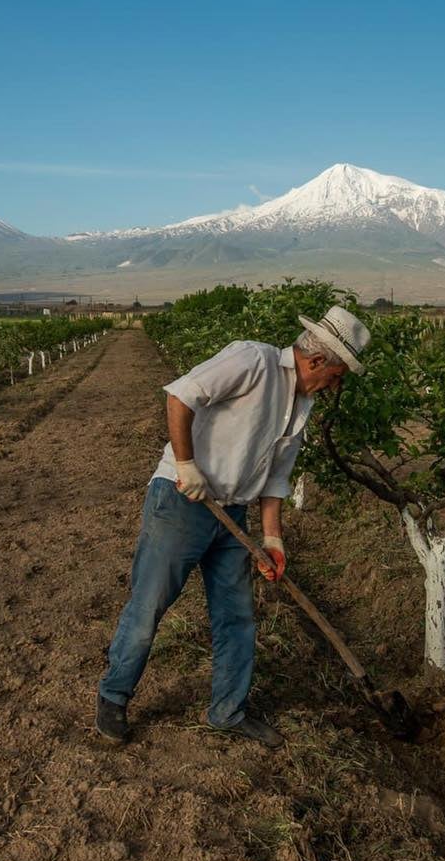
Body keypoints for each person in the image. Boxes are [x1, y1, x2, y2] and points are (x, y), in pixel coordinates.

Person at [96, 305, 371, 749]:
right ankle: (113, 696)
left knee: (237, 615)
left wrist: (273, 538)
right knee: (149, 606)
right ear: (318, 360)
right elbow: (181, 396)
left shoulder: (302, 406)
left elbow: (276, 479)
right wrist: (186, 465)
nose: (336, 386)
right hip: (183, 502)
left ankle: (227, 711)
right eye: (338, 375)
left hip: (233, 517)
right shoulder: (253, 361)